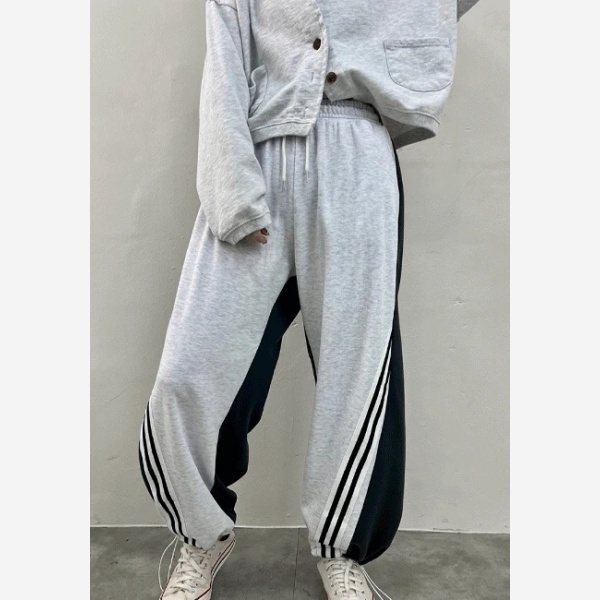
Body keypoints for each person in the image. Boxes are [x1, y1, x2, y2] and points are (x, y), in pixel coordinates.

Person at [138, 1, 481, 598]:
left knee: (358, 370)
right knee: (189, 369)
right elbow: (225, 60)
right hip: (261, 149)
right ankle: (201, 536)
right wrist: (231, 189)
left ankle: (342, 550)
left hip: (359, 151)